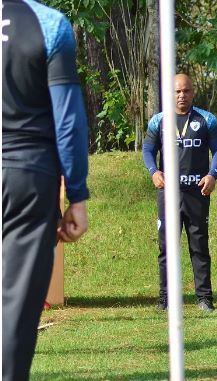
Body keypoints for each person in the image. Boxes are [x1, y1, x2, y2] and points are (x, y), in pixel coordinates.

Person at [2, 1, 89, 380]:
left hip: (25, 173)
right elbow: (67, 120)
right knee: (15, 313)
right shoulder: (50, 24)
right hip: (26, 177)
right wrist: (78, 195)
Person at [143, 74, 217, 312]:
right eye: (177, 92)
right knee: (166, 247)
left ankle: (204, 298)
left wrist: (212, 174)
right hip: (168, 195)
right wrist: (153, 172)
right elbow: (148, 149)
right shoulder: (159, 121)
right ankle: (165, 298)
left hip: (197, 192)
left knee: (199, 245)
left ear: (193, 92)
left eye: (186, 91)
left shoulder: (206, 119)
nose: (182, 96)